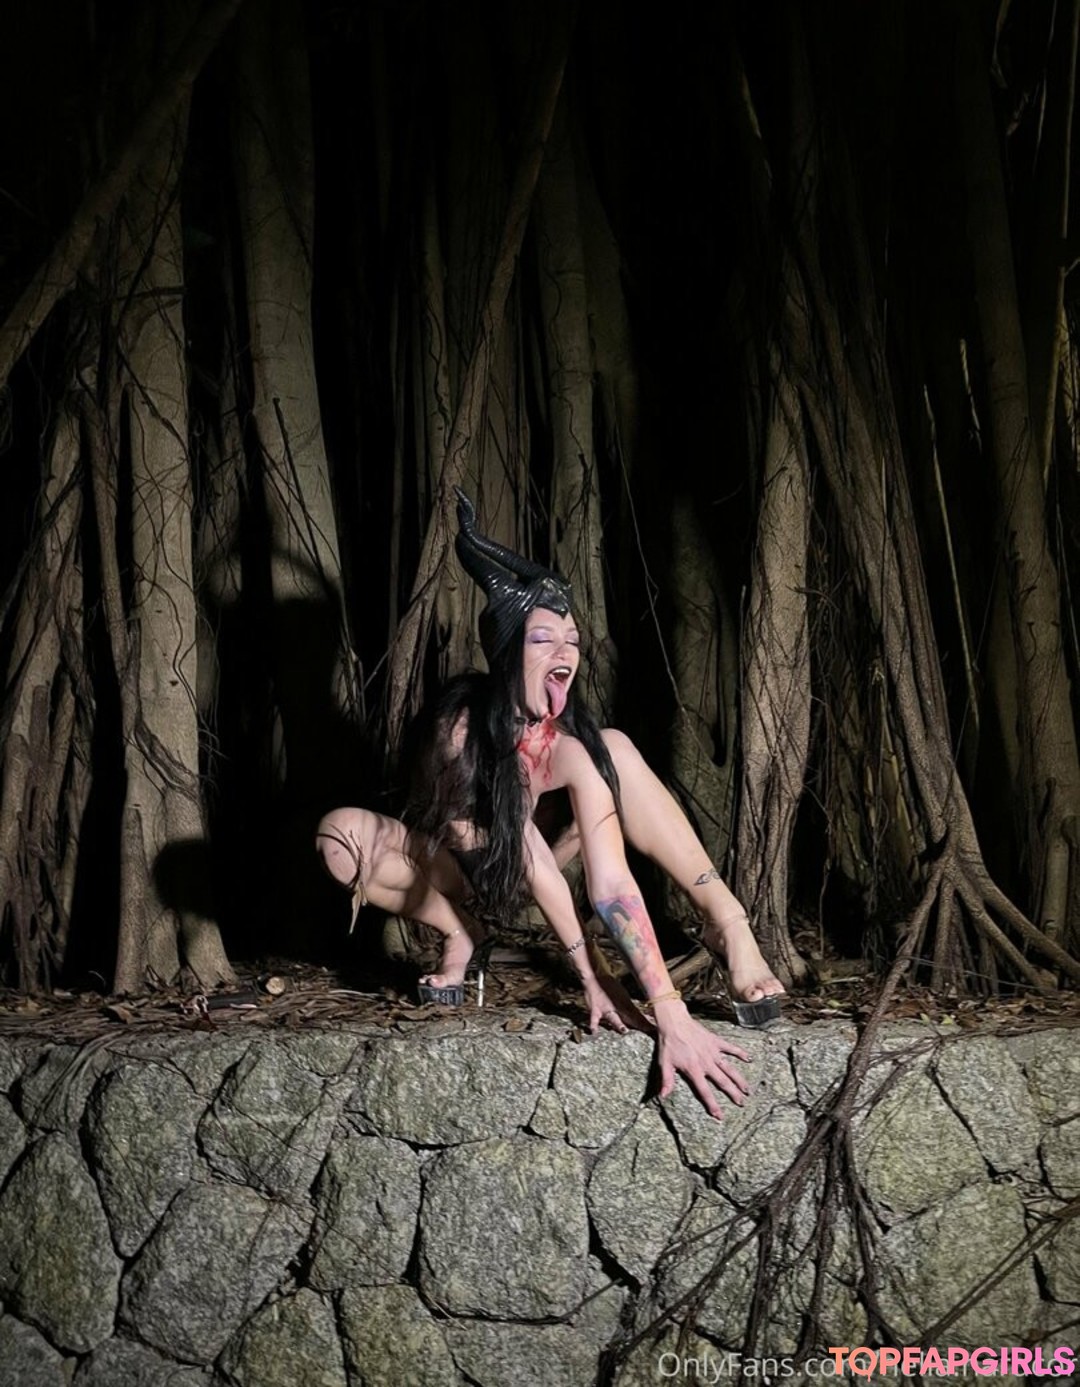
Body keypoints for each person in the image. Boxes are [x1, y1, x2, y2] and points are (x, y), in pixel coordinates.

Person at [317, 490, 785, 1118]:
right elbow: (519, 849)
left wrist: (667, 1009)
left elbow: (610, 883)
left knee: (613, 747)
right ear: (507, 651)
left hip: (538, 873)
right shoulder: (461, 729)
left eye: (572, 640)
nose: (565, 653)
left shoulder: (566, 744)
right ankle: (460, 932)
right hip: (456, 868)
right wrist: (595, 975)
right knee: (339, 835)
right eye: (544, 639)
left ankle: (728, 920)